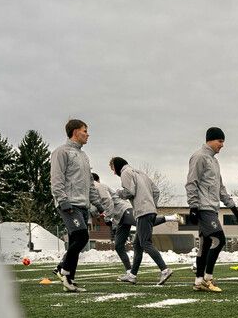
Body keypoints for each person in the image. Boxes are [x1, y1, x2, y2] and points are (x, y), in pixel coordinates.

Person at [49, 118, 104, 293]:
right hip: (68, 203)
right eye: (85, 131)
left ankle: (68, 280)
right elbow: (56, 179)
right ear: (75, 132)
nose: (88, 134)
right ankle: (63, 269)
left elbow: (89, 184)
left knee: (76, 240)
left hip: (82, 205)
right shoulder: (61, 152)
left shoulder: (84, 156)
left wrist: (98, 205)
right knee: (82, 237)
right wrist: (63, 200)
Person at [185, 127, 238, 293]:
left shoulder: (214, 161)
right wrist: (193, 206)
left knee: (206, 244)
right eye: (220, 141)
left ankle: (198, 281)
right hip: (203, 208)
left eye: (223, 141)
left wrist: (232, 206)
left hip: (211, 208)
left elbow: (220, 188)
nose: (222, 145)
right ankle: (208, 278)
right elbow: (191, 182)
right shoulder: (199, 157)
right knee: (219, 240)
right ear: (210, 140)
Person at [109, 157, 173, 286]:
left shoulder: (125, 172)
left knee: (145, 243)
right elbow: (156, 191)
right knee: (137, 244)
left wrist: (118, 193)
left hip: (142, 212)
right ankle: (132, 275)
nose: (113, 172)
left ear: (116, 166)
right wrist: (152, 206)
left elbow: (129, 192)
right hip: (150, 210)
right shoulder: (140, 173)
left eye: (112, 169)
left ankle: (165, 269)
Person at [91, 172, 134, 277]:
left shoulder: (98, 185)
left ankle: (170, 217)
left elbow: (108, 201)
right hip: (119, 216)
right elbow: (99, 205)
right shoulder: (93, 188)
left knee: (144, 223)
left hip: (124, 210)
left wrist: (107, 216)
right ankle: (129, 272)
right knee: (119, 246)